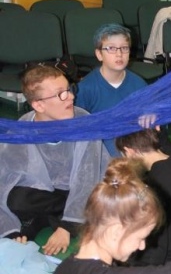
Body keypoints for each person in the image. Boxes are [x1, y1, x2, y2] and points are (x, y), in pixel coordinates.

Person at [0, 64, 109, 256]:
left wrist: (66, 228)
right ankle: (55, 217)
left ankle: (54, 219)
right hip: (47, 193)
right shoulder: (23, 127)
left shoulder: (83, 121)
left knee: (102, 200)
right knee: (15, 199)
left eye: (69, 89)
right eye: (61, 94)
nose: (71, 97)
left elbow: (87, 180)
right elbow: (5, 178)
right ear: (38, 105)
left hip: (79, 188)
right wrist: (11, 232)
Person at [115, 127, 171, 265]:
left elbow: (158, 239)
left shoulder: (156, 185)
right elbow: (165, 141)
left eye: (124, 154)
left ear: (130, 151)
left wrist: (144, 269)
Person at [75, 24, 147, 156]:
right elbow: (79, 130)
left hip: (133, 145)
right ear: (99, 54)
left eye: (124, 48)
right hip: (100, 149)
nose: (119, 54)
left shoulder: (139, 84)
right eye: (111, 48)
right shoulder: (86, 88)